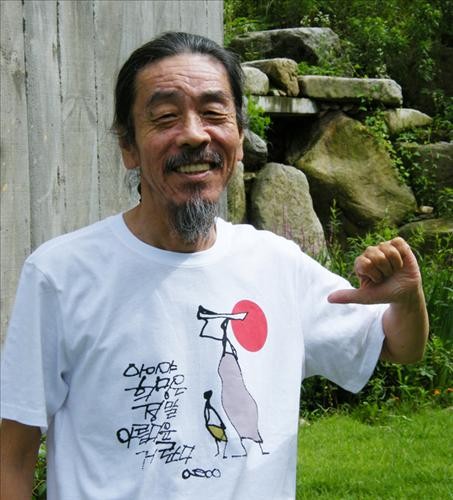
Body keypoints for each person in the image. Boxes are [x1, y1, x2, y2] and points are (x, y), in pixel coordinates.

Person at [0, 32, 428, 500]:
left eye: (213, 113)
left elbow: (396, 345)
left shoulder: (277, 265)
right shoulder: (61, 274)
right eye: (166, 117)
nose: (194, 134)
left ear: (239, 138)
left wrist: (407, 299)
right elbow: (12, 455)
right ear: (128, 145)